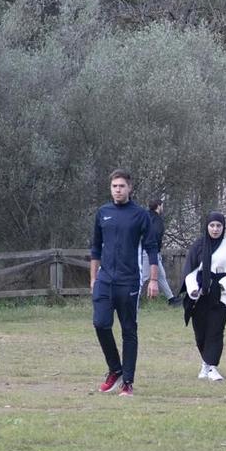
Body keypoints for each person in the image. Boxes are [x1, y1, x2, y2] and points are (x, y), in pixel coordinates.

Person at [89, 170, 162, 396]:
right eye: (114, 186)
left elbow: (152, 248)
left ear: (129, 188)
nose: (118, 190)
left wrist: (153, 279)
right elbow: (95, 248)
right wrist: (93, 279)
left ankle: (127, 382)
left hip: (129, 281)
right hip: (104, 280)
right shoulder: (103, 213)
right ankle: (115, 370)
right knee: (100, 324)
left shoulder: (140, 215)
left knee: (129, 331)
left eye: (121, 186)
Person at [180, 212, 226, 381]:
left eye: (218, 226)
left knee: (215, 331)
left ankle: (212, 367)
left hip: (222, 295)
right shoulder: (198, 246)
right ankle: (205, 363)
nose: (215, 229)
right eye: (212, 226)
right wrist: (194, 289)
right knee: (200, 332)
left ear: (223, 228)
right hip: (201, 294)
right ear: (207, 226)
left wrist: (222, 286)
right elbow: (191, 270)